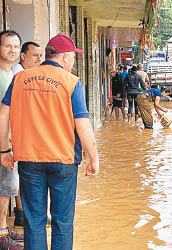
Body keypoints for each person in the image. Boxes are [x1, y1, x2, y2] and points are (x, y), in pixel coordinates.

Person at [0, 34, 99, 250]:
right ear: (64, 57)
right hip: (63, 161)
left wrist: (4, 150)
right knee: (62, 221)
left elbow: (3, 115)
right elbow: (82, 124)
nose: (73, 61)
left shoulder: (20, 78)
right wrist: (94, 158)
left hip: (29, 160)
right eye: (73, 57)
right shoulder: (71, 82)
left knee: (34, 221)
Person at [10, 41, 43, 230]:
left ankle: (22, 216)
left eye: (41, 55)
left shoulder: (27, 74)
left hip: (25, 132)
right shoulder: (18, 74)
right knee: (17, 175)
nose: (39, 59)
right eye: (35, 55)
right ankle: (21, 215)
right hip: (16, 133)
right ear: (23, 56)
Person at [0, 30, 24, 250]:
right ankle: (1, 234)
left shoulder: (10, 74)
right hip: (2, 144)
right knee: (5, 187)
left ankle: (4, 230)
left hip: (9, 140)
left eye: (16, 47)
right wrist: (3, 148)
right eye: (8, 46)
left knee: (8, 186)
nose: (13, 51)